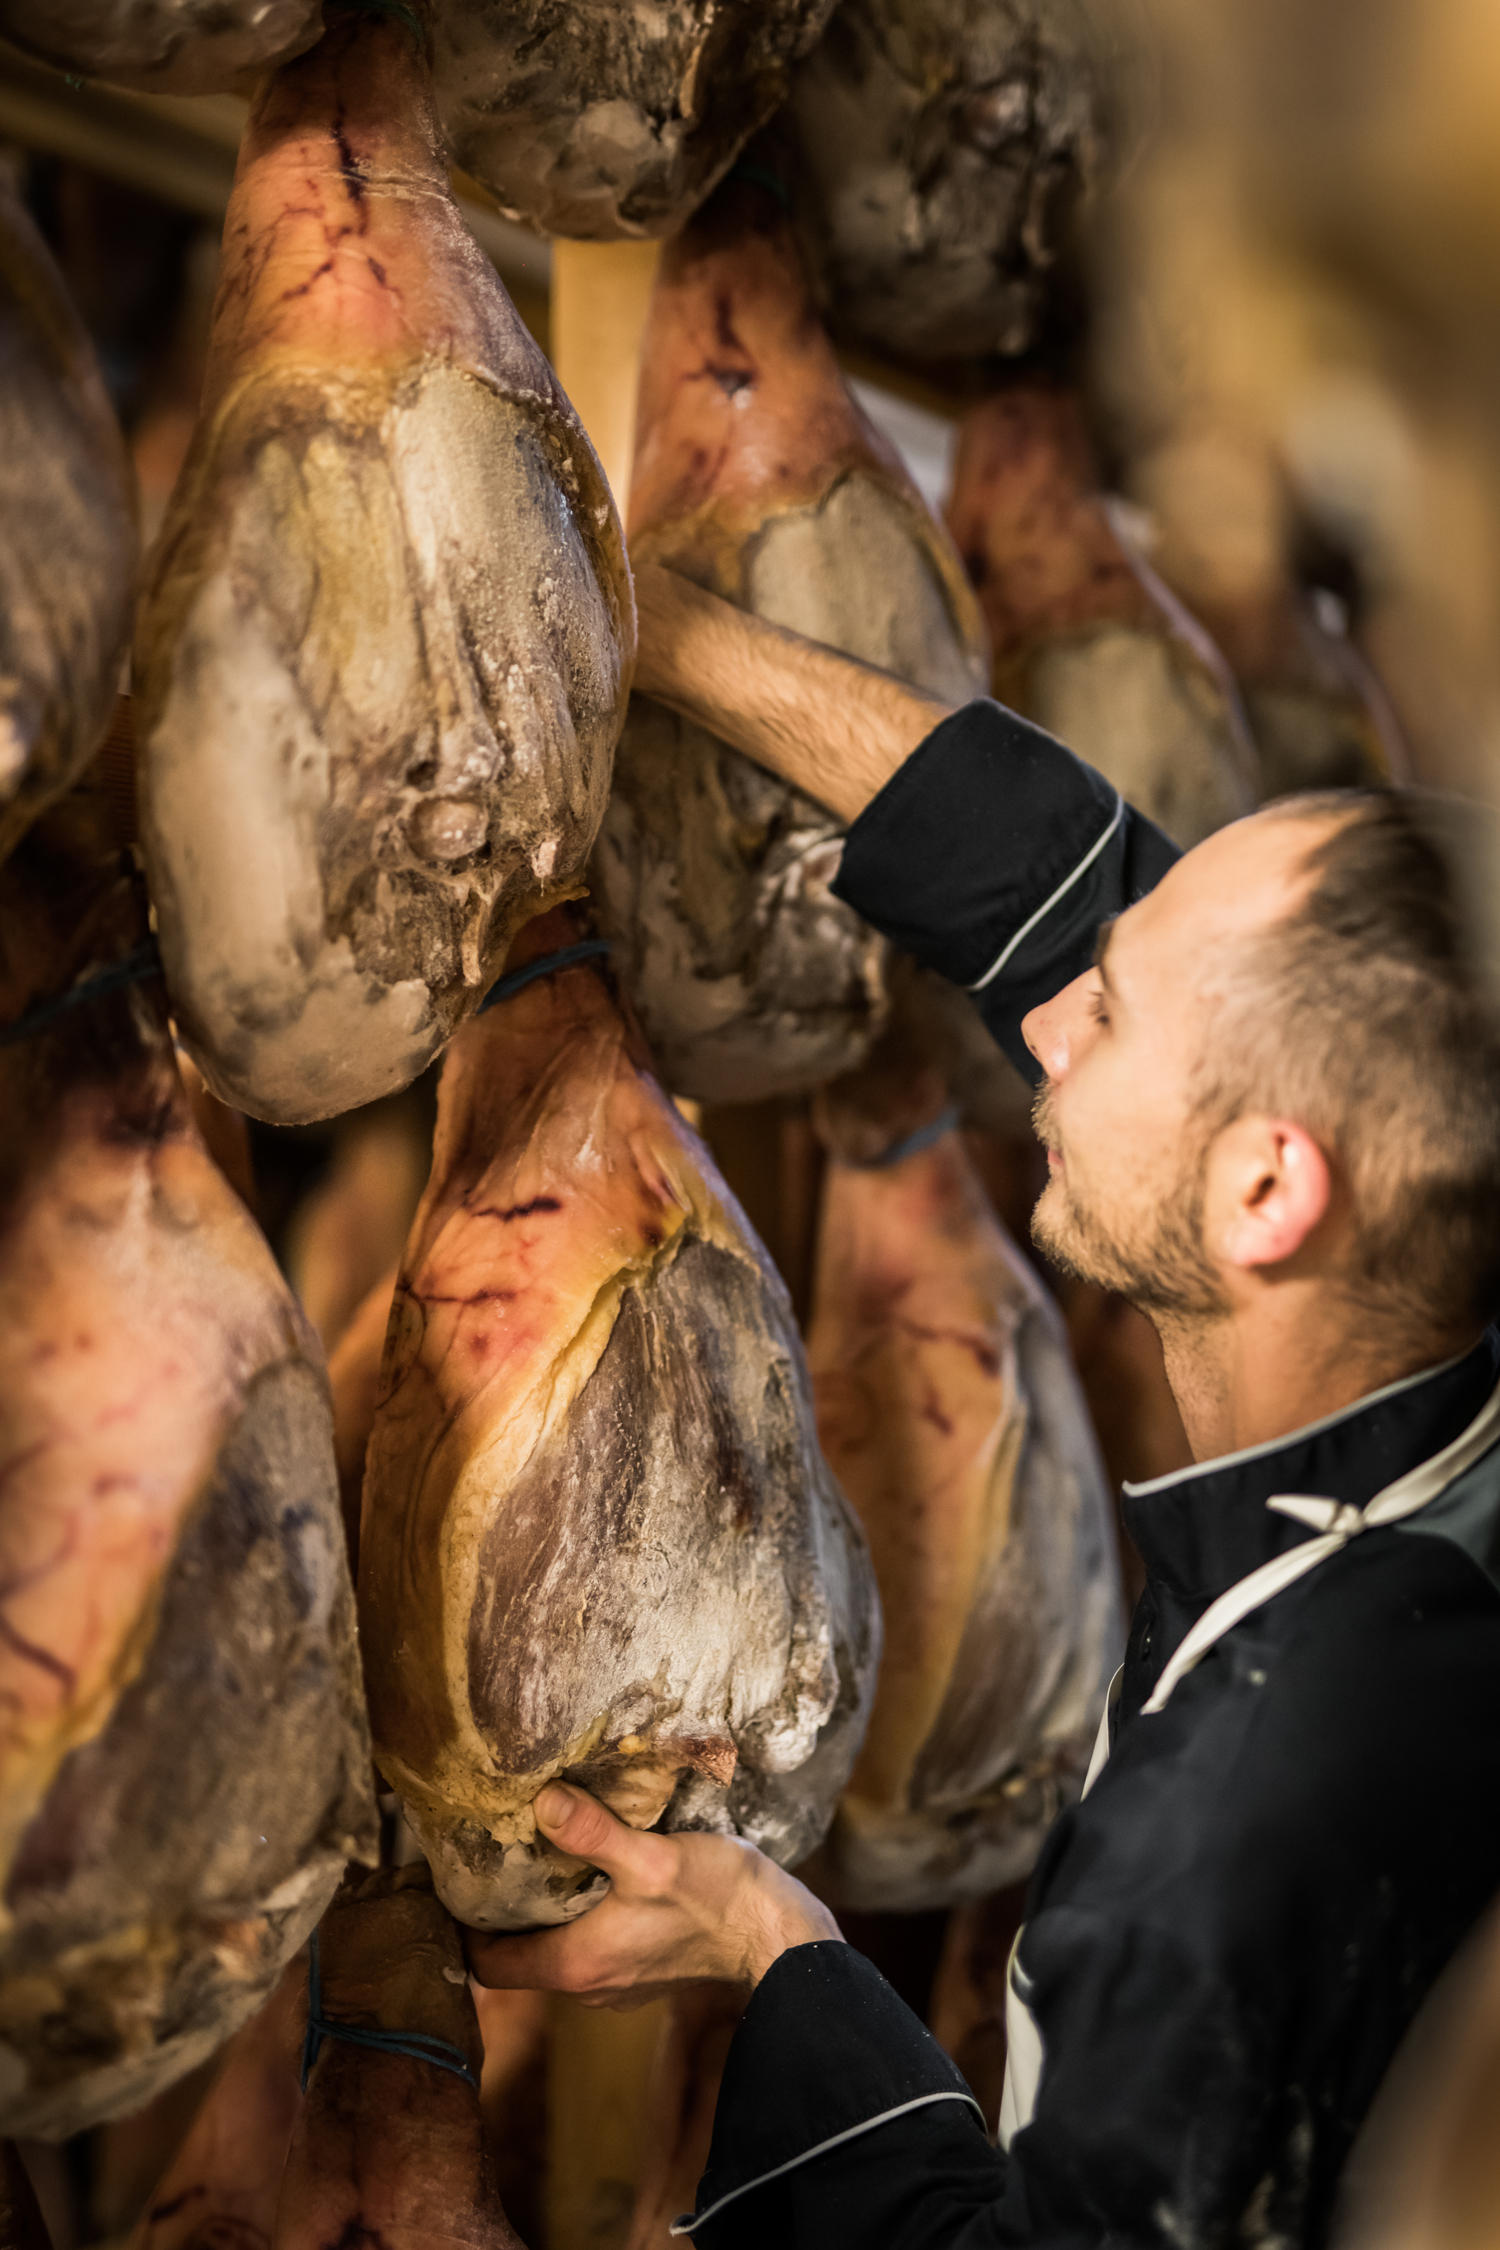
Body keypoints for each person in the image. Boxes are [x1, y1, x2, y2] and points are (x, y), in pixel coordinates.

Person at [465, 564, 1500, 2249]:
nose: (1051, 1021)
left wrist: (777, 1949)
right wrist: (650, 620)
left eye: (1117, 1009)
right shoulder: (1422, 1225)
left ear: (1265, 1194)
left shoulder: (1229, 1852)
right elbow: (1055, 871)